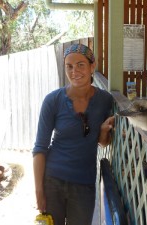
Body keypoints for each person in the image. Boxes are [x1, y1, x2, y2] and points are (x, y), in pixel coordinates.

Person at [33, 43, 114, 225]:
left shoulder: (104, 101)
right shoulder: (53, 100)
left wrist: (102, 132)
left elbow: (103, 143)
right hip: (52, 181)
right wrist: (39, 190)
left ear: (92, 66)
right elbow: (39, 148)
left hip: (84, 184)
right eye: (69, 66)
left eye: (80, 65)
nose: (74, 71)